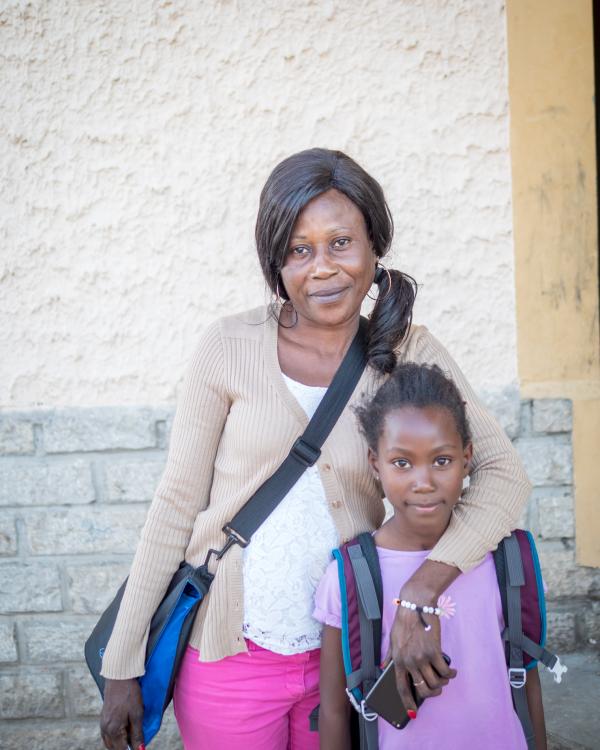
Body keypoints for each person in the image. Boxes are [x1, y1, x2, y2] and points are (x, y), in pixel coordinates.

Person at [98, 148, 531, 750]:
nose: (322, 268)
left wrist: (423, 589)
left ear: (374, 246)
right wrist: (123, 660)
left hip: (352, 653)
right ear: (276, 262)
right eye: (299, 249)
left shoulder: (410, 350)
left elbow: (505, 475)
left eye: (340, 243)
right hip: (231, 658)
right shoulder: (227, 347)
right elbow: (175, 504)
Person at [315, 362, 546, 749]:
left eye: (441, 460)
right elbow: (334, 709)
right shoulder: (352, 576)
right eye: (402, 463)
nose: (423, 483)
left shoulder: (504, 562)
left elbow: (527, 679)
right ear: (375, 463)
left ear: (467, 457)